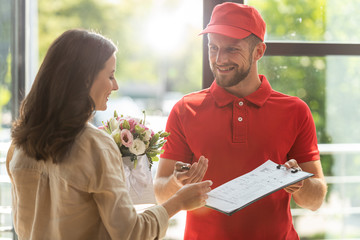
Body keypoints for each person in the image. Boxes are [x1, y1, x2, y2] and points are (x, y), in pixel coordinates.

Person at [6, 29, 212, 240]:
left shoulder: (19, 145)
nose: (115, 85)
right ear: (85, 78)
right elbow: (131, 233)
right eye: (111, 75)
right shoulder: (95, 145)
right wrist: (178, 202)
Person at [154, 2, 327, 240]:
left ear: (259, 51)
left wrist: (300, 183)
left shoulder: (295, 111)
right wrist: (176, 181)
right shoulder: (185, 110)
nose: (219, 58)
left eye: (232, 49)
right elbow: (161, 193)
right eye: (213, 47)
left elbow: (315, 200)